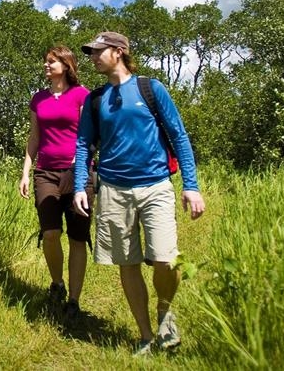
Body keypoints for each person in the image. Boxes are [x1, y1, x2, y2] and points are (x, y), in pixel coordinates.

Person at [71, 32, 206, 356]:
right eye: (90, 52)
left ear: (118, 52)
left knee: (165, 258)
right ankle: (146, 336)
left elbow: (179, 135)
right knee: (127, 263)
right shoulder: (95, 99)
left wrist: (191, 185)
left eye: (97, 51)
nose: (92, 57)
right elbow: (82, 144)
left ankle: (164, 311)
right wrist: (79, 186)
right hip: (114, 190)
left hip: (156, 185)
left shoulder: (150, 88)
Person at [18, 45, 92, 318]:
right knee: (50, 233)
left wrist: (82, 163)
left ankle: (74, 299)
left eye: (52, 62)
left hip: (79, 176)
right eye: (45, 62)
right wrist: (26, 172)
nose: (46, 65)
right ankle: (57, 284)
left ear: (66, 64)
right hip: (46, 172)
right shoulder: (38, 99)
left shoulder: (81, 95)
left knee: (77, 237)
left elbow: (88, 136)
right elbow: (34, 137)